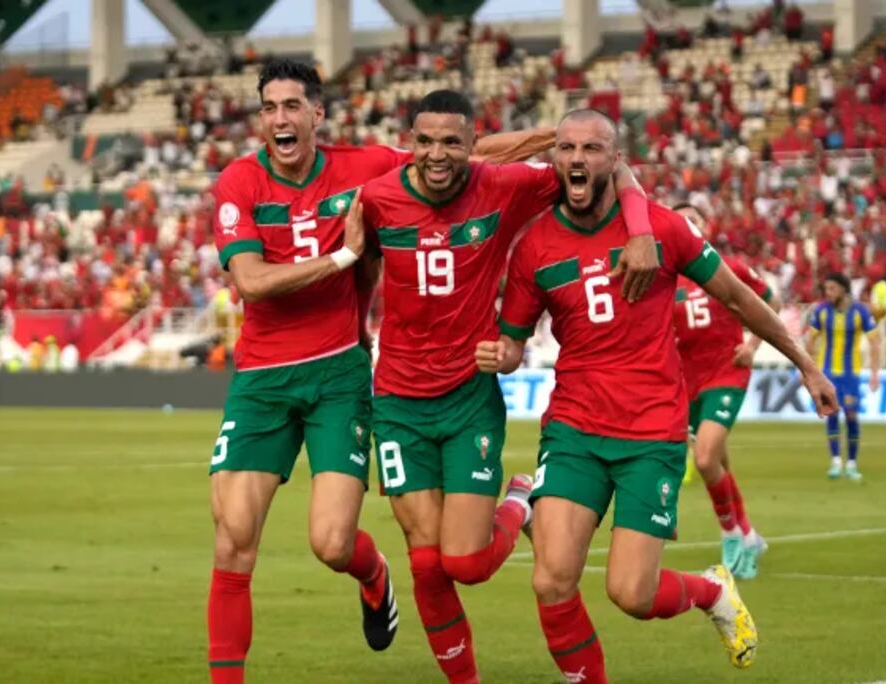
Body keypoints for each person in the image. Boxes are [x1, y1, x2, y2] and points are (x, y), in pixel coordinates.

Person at [207, 61, 554, 684]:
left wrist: (559, 137)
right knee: (233, 540)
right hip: (262, 377)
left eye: (292, 106)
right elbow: (251, 282)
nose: (280, 118)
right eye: (270, 108)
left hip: (339, 374)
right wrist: (342, 257)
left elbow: (455, 158)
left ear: (317, 114)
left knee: (332, 544)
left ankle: (371, 573)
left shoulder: (364, 166)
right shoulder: (239, 181)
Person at [478, 109, 837, 684]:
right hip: (574, 428)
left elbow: (739, 297)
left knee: (632, 593)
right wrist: (501, 355)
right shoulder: (534, 247)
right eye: (567, 148)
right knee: (551, 580)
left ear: (615, 160)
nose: (577, 158)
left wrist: (806, 364)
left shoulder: (663, 229)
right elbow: (515, 342)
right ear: (554, 160)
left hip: (650, 433)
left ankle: (711, 590)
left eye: (592, 148)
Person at [358, 92, 660, 684]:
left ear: (473, 146)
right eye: (425, 141)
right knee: (426, 563)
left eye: (452, 142)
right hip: (396, 400)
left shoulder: (505, 185)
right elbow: (353, 258)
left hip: (468, 397)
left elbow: (605, 166)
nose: (437, 154)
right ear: (410, 143)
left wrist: (641, 227)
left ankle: (519, 498)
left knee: (467, 563)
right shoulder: (377, 196)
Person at [672, 204, 778, 580]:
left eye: (693, 218)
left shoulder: (726, 267)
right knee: (717, 463)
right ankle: (749, 534)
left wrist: (752, 345)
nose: (687, 224)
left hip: (726, 372)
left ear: (704, 226)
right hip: (686, 382)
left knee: (704, 460)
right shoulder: (663, 278)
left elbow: (770, 300)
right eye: (680, 219)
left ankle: (731, 534)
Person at [805, 272, 881, 481]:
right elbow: (810, 342)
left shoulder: (860, 311)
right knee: (831, 414)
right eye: (826, 289)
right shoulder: (821, 311)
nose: (828, 293)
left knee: (851, 416)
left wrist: (875, 373)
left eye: (832, 288)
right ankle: (836, 461)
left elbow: (874, 343)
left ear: (843, 289)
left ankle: (852, 463)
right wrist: (807, 371)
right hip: (827, 374)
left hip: (850, 374)